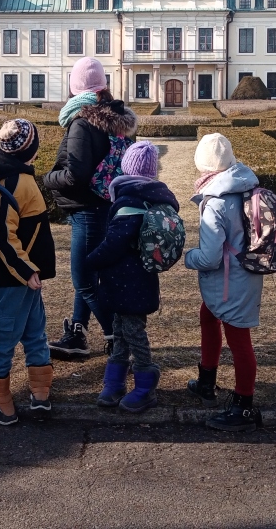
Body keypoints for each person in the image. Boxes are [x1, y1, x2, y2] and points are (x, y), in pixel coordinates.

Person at [43, 57, 137, 358]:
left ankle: (118, 338)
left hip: (87, 210)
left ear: (75, 88)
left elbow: (75, 175)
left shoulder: (83, 122)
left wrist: (46, 178)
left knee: (83, 280)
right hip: (107, 206)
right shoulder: (117, 119)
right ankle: (77, 334)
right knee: (89, 277)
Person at [86, 141, 179, 413]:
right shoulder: (153, 197)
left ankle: (145, 382)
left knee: (133, 332)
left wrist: (91, 260)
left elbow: (115, 243)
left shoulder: (130, 201)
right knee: (120, 329)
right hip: (138, 280)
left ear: (126, 167)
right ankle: (114, 381)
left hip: (128, 281)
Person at [184, 133, 264, 432]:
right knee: (208, 314)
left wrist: (188, 257)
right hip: (245, 272)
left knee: (239, 338)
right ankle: (206, 380)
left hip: (231, 279)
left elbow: (209, 258)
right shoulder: (245, 184)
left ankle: (244, 405)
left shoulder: (216, 201)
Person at [0, 119, 57, 426]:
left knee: (36, 330)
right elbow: (2, 235)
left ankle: (40, 389)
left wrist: (31, 272)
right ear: (30, 150)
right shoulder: (10, 181)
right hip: (14, 277)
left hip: (29, 277)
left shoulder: (20, 175)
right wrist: (25, 270)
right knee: (5, 334)